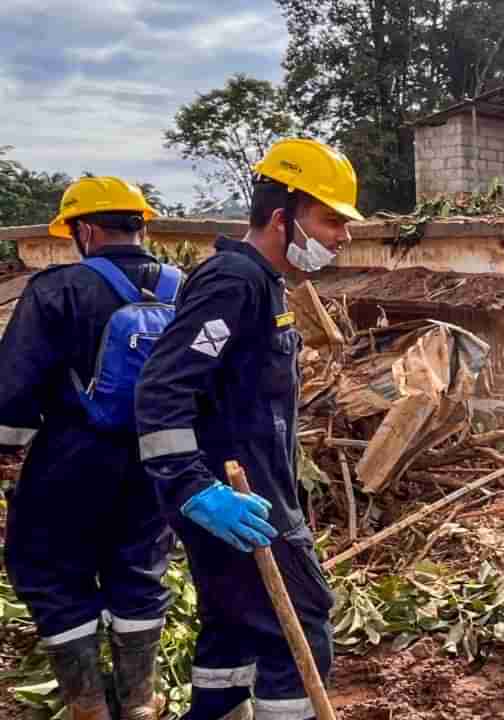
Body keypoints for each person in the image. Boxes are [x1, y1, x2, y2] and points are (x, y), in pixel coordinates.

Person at [135, 138, 362, 720]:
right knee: (301, 623)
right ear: (283, 218)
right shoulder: (233, 281)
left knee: (232, 623)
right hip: (236, 502)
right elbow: (162, 390)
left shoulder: (263, 283)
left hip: (251, 496)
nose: (343, 235)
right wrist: (194, 489)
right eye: (331, 219)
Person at [0, 178, 178, 720]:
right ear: (140, 225)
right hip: (159, 457)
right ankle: (141, 701)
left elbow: (14, 387)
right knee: (141, 566)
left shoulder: (57, 289)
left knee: (50, 567)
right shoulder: (185, 289)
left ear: (86, 229)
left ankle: (88, 705)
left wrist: (8, 447)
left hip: (72, 456)